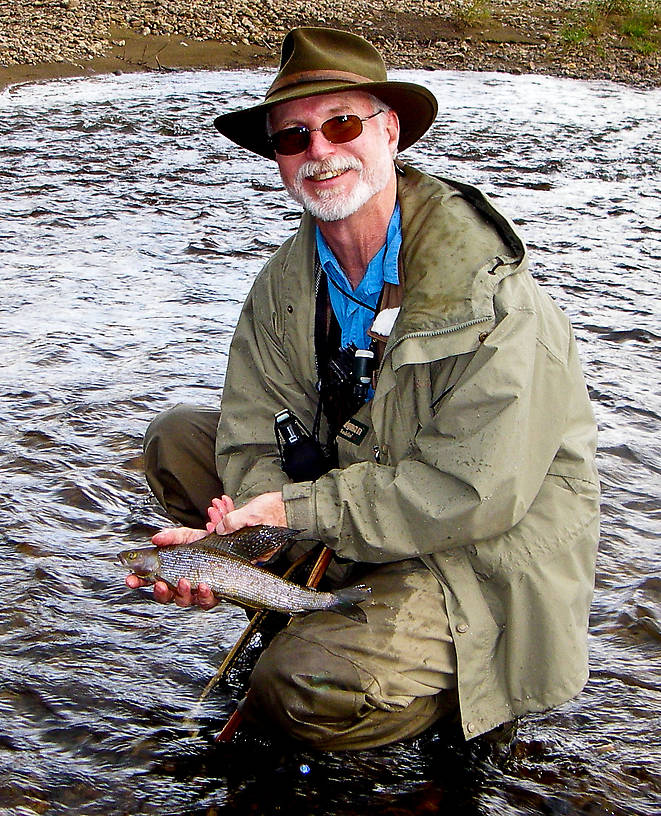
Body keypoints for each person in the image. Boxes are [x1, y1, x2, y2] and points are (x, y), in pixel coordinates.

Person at [126, 27, 600, 751]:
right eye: (292, 137)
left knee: (297, 688)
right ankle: (311, 602)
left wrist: (294, 506)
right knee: (179, 438)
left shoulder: (486, 293)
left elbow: (470, 494)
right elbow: (252, 436)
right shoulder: (283, 283)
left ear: (390, 131)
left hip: (479, 551)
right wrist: (238, 542)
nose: (318, 151)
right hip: (359, 509)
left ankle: (443, 689)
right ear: (280, 161)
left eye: (341, 124)